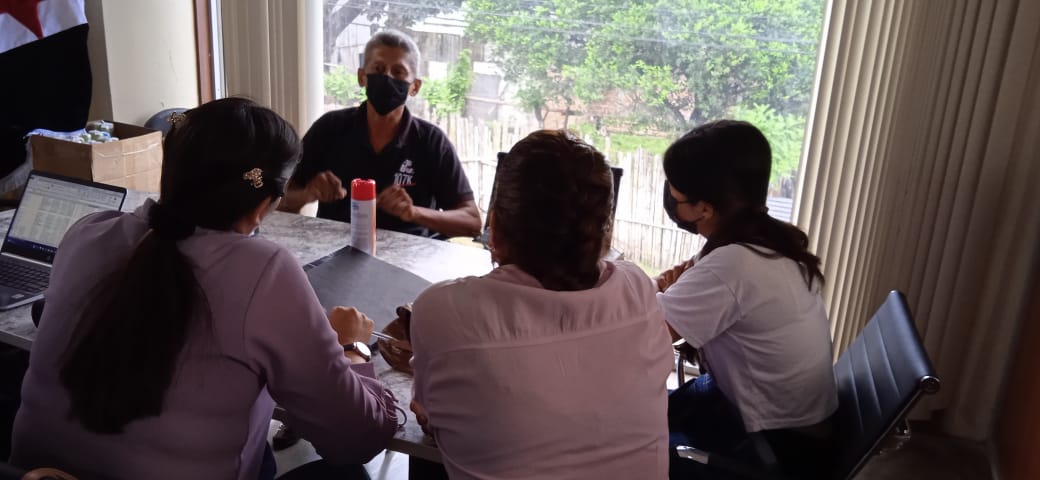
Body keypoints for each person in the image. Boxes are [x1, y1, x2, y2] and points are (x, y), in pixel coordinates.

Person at [10, 98, 398, 480]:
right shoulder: (263, 272)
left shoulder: (88, 233)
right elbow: (357, 438)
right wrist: (353, 348)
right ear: (262, 206)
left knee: (256, 446)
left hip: (37, 474)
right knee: (348, 476)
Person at [409, 130, 674, 479]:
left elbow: (429, 413)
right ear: (603, 233)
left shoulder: (443, 310)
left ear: (495, 228)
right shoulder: (637, 289)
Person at [655, 120, 838, 479]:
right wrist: (661, 289)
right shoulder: (766, 239)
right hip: (795, 422)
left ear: (704, 208)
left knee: (621, 446)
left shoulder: (732, 266)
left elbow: (644, 338)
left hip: (780, 448)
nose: (671, 200)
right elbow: (673, 284)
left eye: (676, 195)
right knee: (638, 419)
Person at [280, 29, 481, 239]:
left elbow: (472, 222)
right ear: (362, 77)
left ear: (414, 87)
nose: (387, 77)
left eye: (398, 72)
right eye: (378, 68)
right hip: (333, 249)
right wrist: (308, 194)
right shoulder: (329, 129)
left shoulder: (431, 142)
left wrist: (414, 213)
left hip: (408, 255)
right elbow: (277, 199)